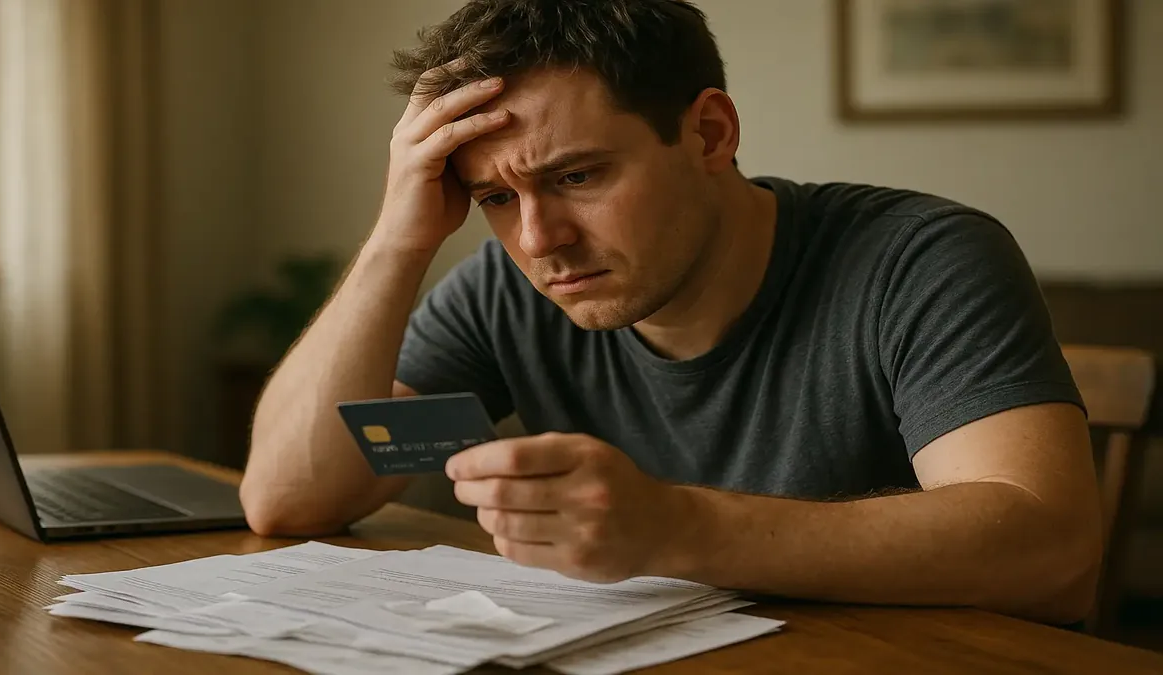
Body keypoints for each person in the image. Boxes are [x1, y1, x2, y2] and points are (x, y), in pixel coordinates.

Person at [240, 0, 1102, 625]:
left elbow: (1051, 549)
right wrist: (398, 238)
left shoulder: (918, 257)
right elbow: (289, 499)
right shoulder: (510, 291)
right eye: (495, 196)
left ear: (711, 134)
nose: (541, 239)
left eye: (576, 176)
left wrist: (673, 527)